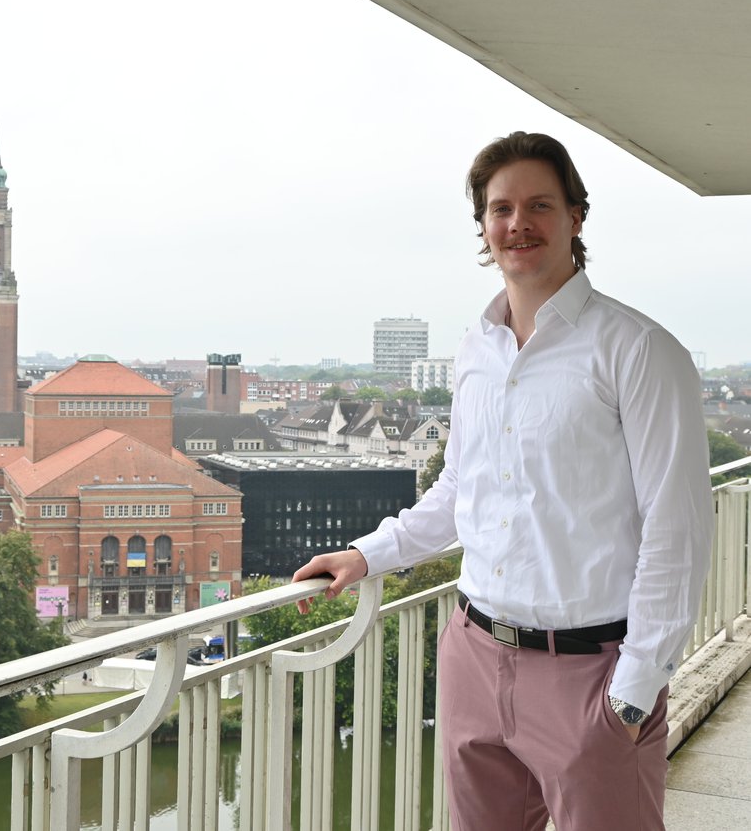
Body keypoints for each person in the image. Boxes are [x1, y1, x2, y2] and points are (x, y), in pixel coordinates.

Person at [293, 131, 714, 831]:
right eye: (501, 208)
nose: (519, 223)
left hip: (591, 673)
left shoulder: (638, 349)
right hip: (474, 655)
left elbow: (677, 529)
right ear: (484, 226)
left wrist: (634, 691)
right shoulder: (476, 350)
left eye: (539, 205)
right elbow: (460, 492)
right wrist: (367, 554)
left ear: (576, 216)